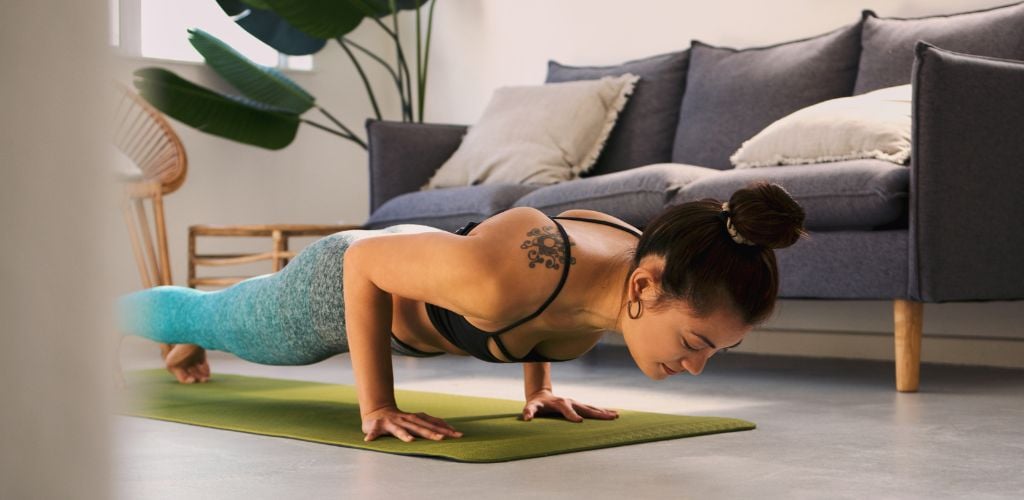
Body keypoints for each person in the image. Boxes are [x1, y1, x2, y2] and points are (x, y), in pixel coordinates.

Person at [118, 181, 806, 443]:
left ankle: (185, 334)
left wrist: (539, 389)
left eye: (714, 351)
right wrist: (376, 407)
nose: (693, 367)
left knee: (210, 323)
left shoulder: (640, 259)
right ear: (646, 289)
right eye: (694, 341)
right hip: (343, 279)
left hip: (412, 279)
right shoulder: (503, 277)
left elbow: (562, 304)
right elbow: (365, 267)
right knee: (224, 323)